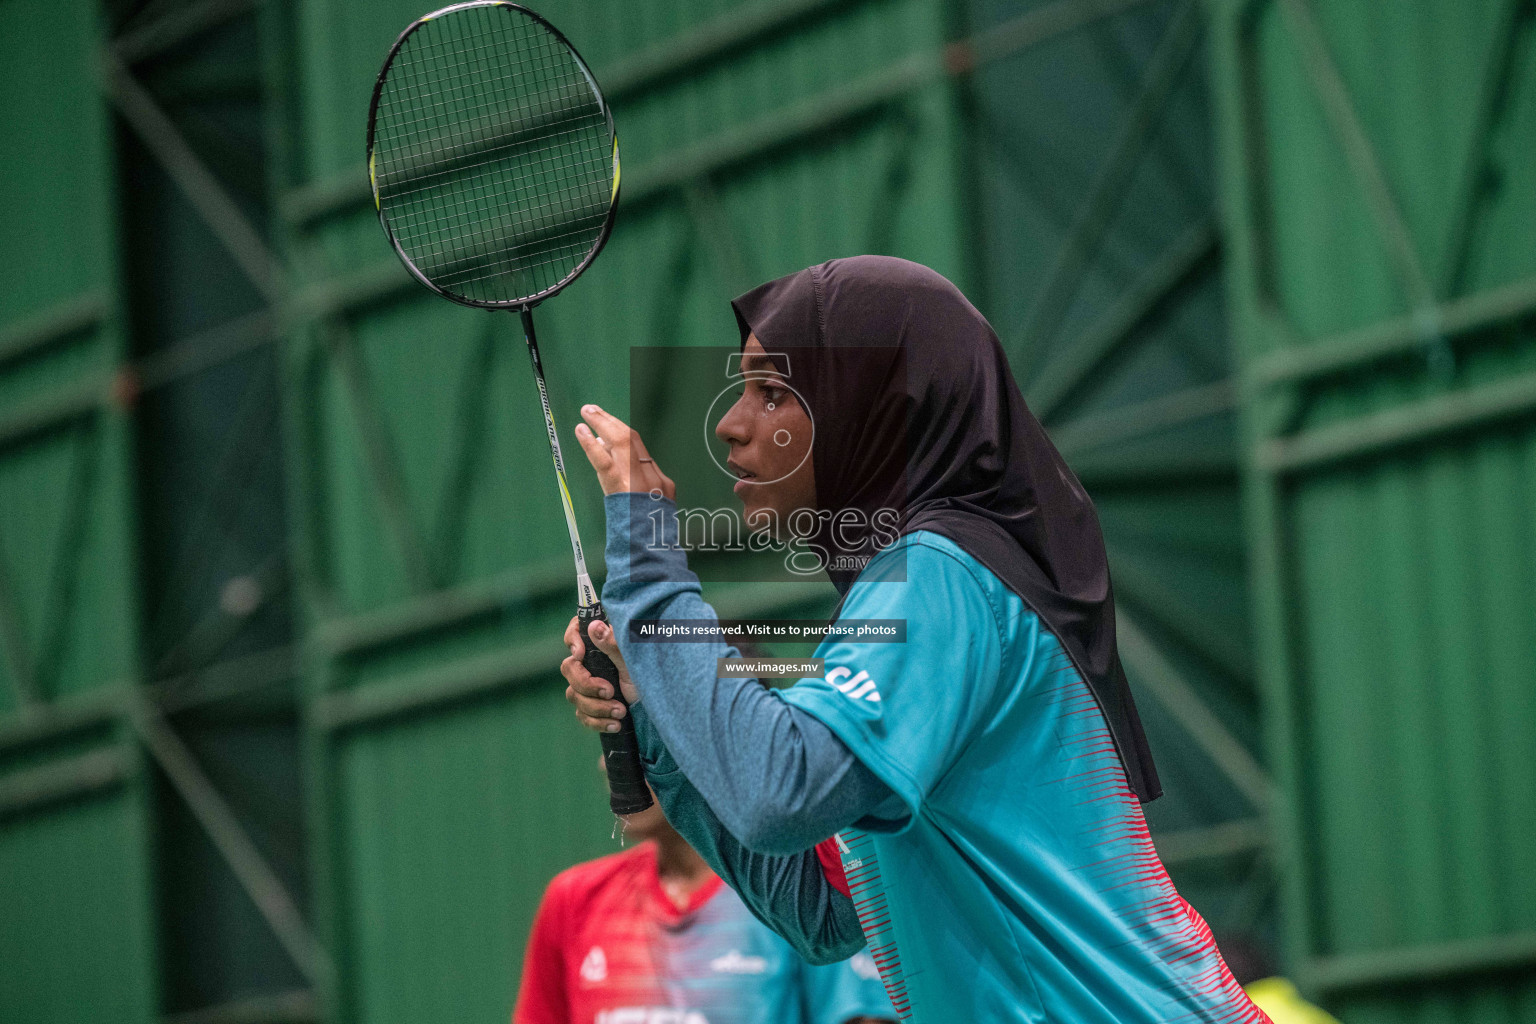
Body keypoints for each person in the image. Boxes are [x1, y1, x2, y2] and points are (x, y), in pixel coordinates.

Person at [559, 256, 1269, 1023]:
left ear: (870, 408)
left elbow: (779, 792)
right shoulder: (922, 589)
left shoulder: (944, 577)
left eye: (774, 393)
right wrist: (655, 712)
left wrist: (652, 568)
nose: (730, 423)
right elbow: (820, 912)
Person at [512, 755, 896, 1024]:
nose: (607, 763)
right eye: (608, 737)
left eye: (635, 729)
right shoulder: (574, 899)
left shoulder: (804, 893)